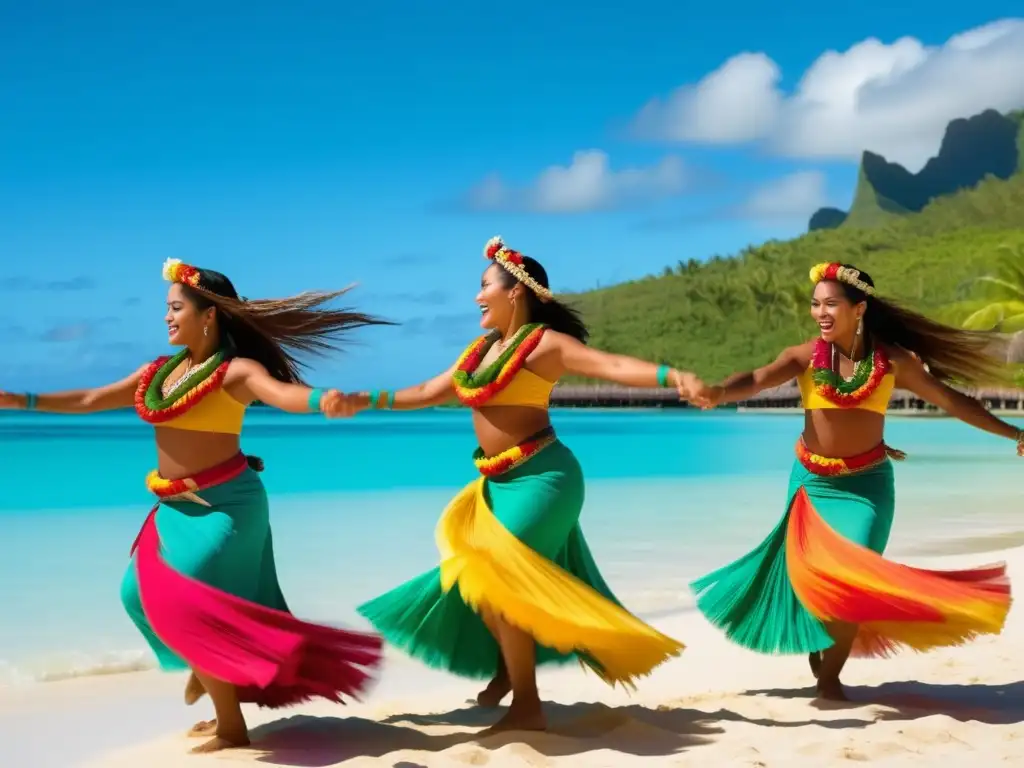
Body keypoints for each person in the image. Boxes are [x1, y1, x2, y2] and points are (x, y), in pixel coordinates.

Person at [0, 259, 388, 754]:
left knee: (183, 598)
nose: (166, 318)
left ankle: (231, 726)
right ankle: (209, 674)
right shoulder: (157, 374)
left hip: (227, 505)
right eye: (167, 308)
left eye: (175, 308)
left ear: (208, 316)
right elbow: (93, 397)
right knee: (133, 594)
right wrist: (21, 399)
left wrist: (323, 402)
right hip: (174, 506)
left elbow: (284, 394)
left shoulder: (235, 372)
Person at [324, 236, 691, 732]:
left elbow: (612, 366)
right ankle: (505, 674)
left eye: (484, 287)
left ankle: (527, 707)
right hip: (495, 484)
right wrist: (364, 398)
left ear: (515, 291)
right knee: (483, 582)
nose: (476, 297)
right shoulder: (478, 354)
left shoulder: (544, 345)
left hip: (544, 478)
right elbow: (427, 392)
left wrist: (675, 376)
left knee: (498, 578)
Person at [688, 261, 1016, 701]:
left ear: (858, 309)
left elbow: (952, 401)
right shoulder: (804, 356)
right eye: (814, 304)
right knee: (816, 585)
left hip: (866, 488)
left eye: (830, 304)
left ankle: (829, 679)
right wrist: (718, 392)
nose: (820, 312)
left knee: (852, 580)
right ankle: (823, 644)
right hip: (811, 483)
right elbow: (756, 379)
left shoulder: (893, 361)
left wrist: (1015, 433)